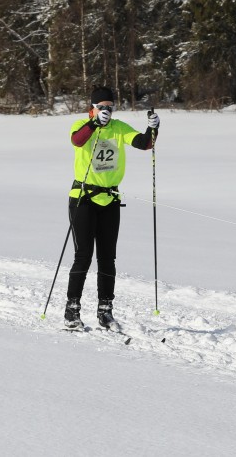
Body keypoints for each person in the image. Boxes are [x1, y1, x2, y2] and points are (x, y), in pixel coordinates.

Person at [64, 85, 159, 331]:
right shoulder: (80, 125)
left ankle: (105, 311)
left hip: (110, 201)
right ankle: (72, 310)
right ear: (92, 109)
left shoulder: (119, 128)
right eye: (101, 108)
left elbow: (144, 143)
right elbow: (77, 141)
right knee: (83, 255)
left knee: (108, 258)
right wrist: (95, 124)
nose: (106, 111)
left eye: (110, 108)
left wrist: (153, 127)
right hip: (83, 199)